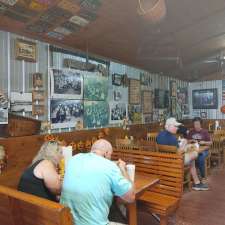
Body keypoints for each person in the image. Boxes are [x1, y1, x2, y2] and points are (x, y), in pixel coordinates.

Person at [60, 139, 135, 225]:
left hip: (67, 221)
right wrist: (123, 168)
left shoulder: (74, 159)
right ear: (106, 153)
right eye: (110, 155)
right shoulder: (109, 166)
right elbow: (131, 196)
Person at [156, 117, 209, 191]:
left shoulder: (159, 135)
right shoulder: (172, 138)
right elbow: (179, 152)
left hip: (164, 160)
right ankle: (196, 183)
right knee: (195, 154)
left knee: (191, 160)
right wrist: (184, 143)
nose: (177, 128)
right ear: (169, 126)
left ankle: (196, 182)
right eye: (175, 126)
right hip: (175, 161)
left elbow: (173, 148)